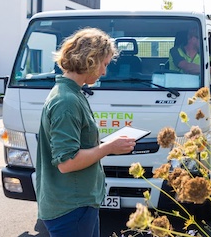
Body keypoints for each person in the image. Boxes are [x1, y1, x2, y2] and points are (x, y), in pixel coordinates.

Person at [36, 28, 136, 237]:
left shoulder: (72, 93)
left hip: (77, 204)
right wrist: (109, 147)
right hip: (72, 207)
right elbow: (68, 162)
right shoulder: (67, 101)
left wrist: (108, 144)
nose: (104, 72)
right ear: (91, 59)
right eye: (105, 64)